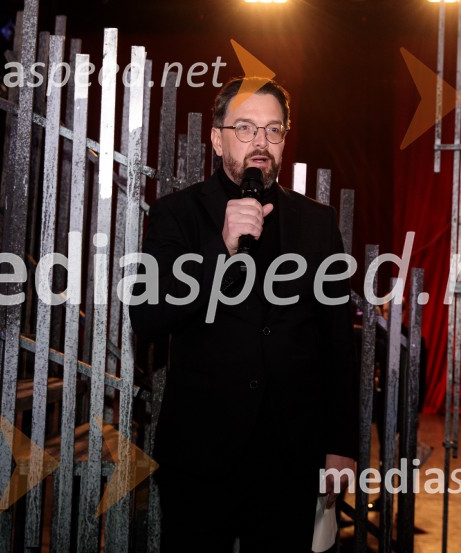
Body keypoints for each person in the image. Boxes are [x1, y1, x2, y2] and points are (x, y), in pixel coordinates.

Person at [129, 77, 359, 552]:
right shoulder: (177, 214)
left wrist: (340, 444)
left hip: (291, 458)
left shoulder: (318, 222)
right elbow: (148, 315)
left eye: (273, 130)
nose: (261, 142)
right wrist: (221, 248)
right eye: (246, 128)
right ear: (217, 138)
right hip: (201, 455)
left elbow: (338, 340)